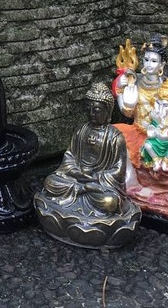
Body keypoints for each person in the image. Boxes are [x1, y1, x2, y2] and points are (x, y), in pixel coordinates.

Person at [35, 83, 140, 249]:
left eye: (97, 110)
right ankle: (81, 191)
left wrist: (95, 178)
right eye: (89, 109)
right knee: (50, 182)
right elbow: (70, 157)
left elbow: (118, 171)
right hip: (77, 180)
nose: (92, 114)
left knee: (110, 202)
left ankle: (83, 194)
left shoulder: (114, 137)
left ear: (107, 112)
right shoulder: (81, 130)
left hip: (98, 186)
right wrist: (76, 172)